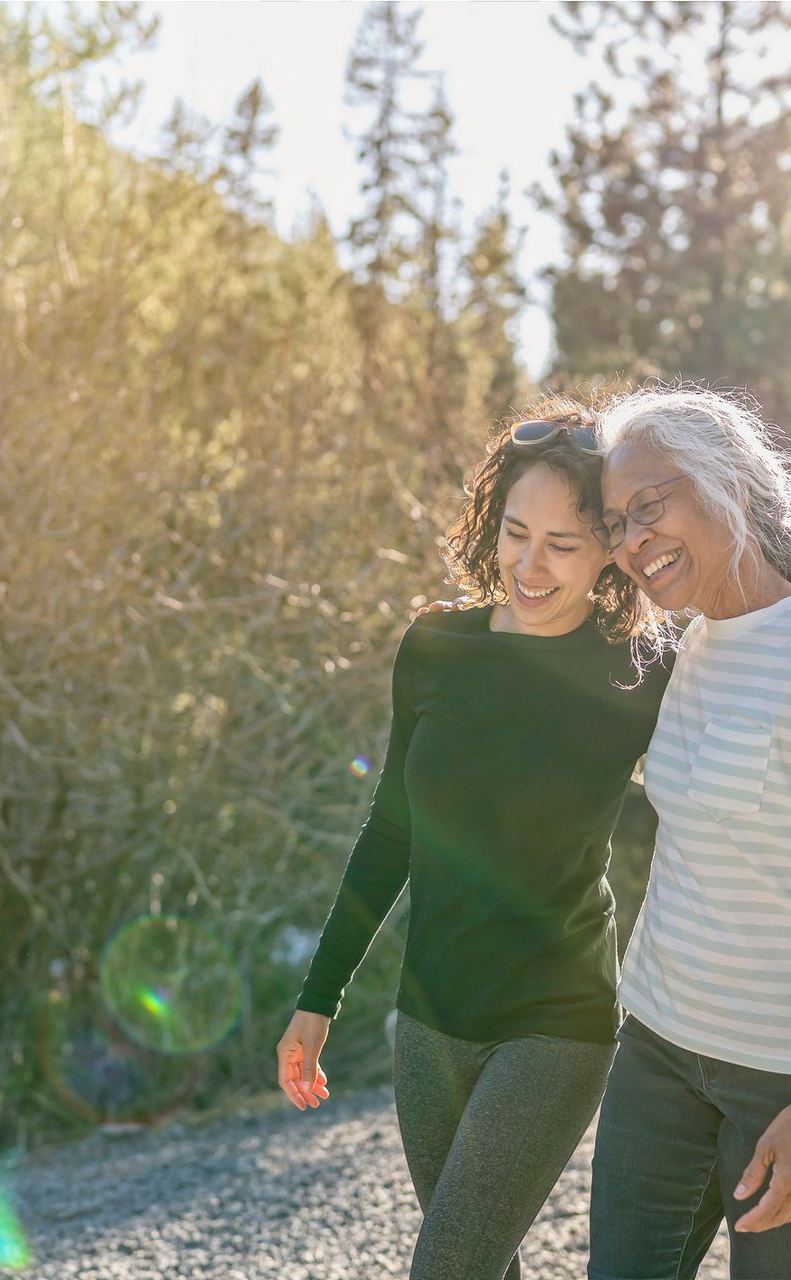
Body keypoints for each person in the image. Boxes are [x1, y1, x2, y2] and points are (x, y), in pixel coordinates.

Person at [276, 403, 671, 1280]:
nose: (531, 566)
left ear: (610, 548)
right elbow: (391, 833)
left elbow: (743, 751)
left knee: (448, 1265)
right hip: (428, 1022)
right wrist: (319, 998)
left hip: (556, 1020)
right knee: (483, 1265)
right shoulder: (435, 647)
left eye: (564, 545)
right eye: (516, 532)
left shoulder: (636, 672)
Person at [585, 386, 791, 1280]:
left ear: (728, 480)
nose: (631, 539)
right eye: (616, 522)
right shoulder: (687, 646)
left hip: (789, 1081)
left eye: (649, 506)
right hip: (657, 1051)